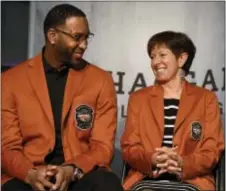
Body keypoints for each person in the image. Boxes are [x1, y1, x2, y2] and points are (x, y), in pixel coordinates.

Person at [1, 4, 124, 191]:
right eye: (77, 37)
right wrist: (30, 173)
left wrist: (71, 169)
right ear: (52, 36)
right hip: (29, 175)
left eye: (86, 38)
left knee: (107, 184)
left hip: (79, 175)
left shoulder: (100, 80)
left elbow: (102, 147)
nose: (83, 45)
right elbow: (8, 147)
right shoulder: (11, 80)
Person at [121, 31, 224, 191]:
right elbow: (129, 148)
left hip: (193, 181)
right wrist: (152, 159)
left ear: (181, 59)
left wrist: (183, 162)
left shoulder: (206, 99)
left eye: (162, 55)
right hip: (145, 180)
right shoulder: (138, 98)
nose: (156, 62)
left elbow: (212, 150)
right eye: (152, 56)